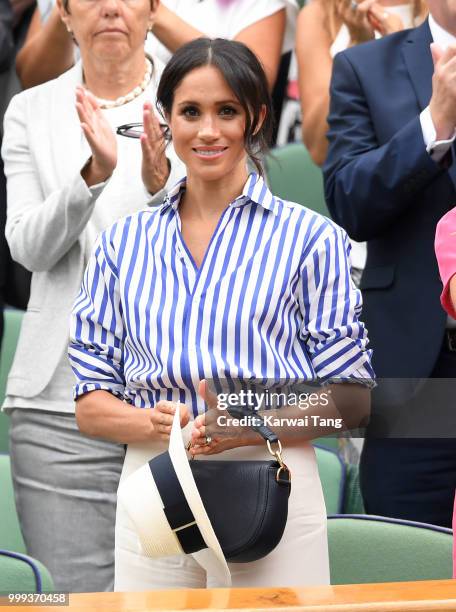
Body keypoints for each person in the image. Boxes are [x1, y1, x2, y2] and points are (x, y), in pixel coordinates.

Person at [68, 37, 374, 591]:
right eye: (190, 112)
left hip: (273, 476)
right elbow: (90, 406)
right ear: (167, 121)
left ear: (256, 117)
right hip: (155, 479)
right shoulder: (121, 245)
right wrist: (152, 423)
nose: (208, 131)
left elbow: (352, 402)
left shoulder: (313, 239)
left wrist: (249, 427)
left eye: (226, 111)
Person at [1, 0, 184, 592]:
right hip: (57, 407)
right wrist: (92, 176)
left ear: (155, 9)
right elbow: (28, 248)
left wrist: (161, 192)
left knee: (169, 599)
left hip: (173, 404)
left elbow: (230, 247)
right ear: (62, 11)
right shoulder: (30, 109)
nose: (110, 7)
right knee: (72, 601)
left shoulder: (197, 97)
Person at [323, 0, 456, 527]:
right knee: (409, 557)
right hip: (419, 369)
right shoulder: (366, 67)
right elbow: (350, 203)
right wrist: (434, 124)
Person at [296, 0, 427, 284]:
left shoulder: (439, 12)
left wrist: (399, 52)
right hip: (363, 238)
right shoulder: (320, 14)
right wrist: (362, 51)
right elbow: (319, 149)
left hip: (429, 229)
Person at [16, 0, 298, 92]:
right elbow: (32, 78)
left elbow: (253, 82)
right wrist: (68, 9)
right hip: (83, 160)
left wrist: (150, 10)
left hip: (206, 167)